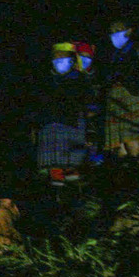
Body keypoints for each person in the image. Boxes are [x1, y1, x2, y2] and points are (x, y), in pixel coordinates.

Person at [36, 42, 95, 186]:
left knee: (73, 172)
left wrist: (91, 130)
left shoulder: (80, 79)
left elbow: (90, 105)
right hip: (49, 127)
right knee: (54, 173)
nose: (59, 60)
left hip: (73, 125)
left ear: (72, 59)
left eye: (63, 57)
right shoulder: (46, 80)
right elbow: (38, 105)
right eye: (56, 57)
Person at [103, 19, 139, 159]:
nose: (114, 35)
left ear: (129, 31)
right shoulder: (115, 55)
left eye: (118, 30)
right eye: (111, 32)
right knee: (119, 147)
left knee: (134, 139)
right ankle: (125, 174)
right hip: (115, 103)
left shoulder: (138, 51)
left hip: (133, 98)